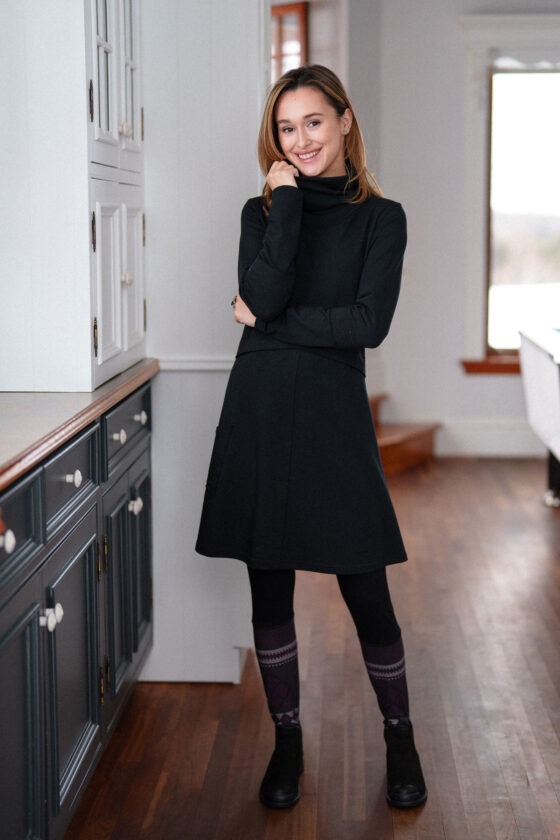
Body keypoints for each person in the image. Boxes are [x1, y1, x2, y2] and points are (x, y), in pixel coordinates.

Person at [196, 64, 426, 812]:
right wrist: (287, 206)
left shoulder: (381, 219)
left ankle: (400, 737)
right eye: (287, 128)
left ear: (346, 122)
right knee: (270, 590)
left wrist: (273, 322)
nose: (302, 140)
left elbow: (367, 324)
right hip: (261, 411)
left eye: (315, 123)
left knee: (367, 591)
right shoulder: (261, 212)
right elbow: (261, 291)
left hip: (332, 414)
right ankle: (287, 742)